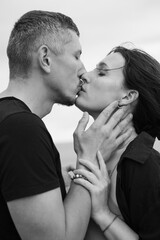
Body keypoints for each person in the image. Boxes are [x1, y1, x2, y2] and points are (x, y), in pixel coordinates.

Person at [0, 11, 132, 240]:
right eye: (76, 55)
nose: (83, 70)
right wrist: (90, 159)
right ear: (45, 59)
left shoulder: (9, 121)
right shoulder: (21, 129)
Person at [74, 46, 160, 240]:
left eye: (102, 73)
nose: (85, 75)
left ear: (128, 96)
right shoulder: (94, 155)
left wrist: (103, 214)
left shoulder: (145, 167)